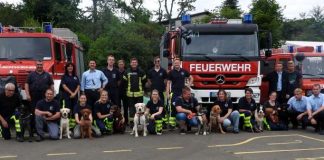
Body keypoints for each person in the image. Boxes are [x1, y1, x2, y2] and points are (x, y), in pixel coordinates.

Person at [25, 60, 54, 131]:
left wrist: (52, 94)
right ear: (36, 65)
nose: (39, 66)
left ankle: (45, 128)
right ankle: (34, 128)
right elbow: (26, 84)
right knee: (33, 112)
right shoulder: (31, 75)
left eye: (40, 64)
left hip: (44, 97)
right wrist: (28, 94)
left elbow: (51, 85)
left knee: (44, 112)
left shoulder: (47, 75)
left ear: (42, 65)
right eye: (38, 64)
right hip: (33, 97)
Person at [166, 58, 193, 128]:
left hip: (182, 94)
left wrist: (188, 86)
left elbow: (191, 78)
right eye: (175, 63)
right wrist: (167, 93)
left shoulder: (183, 71)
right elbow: (168, 83)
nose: (176, 64)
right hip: (174, 93)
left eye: (178, 63)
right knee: (172, 107)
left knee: (183, 107)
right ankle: (172, 124)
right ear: (173, 64)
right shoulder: (171, 72)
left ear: (180, 63)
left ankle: (182, 123)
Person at [123, 58, 146, 126]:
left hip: (139, 94)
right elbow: (124, 82)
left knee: (140, 108)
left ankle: (140, 122)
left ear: (137, 63)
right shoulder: (127, 71)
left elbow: (144, 81)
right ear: (130, 63)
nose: (134, 63)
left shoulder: (141, 72)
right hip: (130, 94)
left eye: (135, 62)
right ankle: (132, 122)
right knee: (131, 109)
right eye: (132, 62)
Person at [118, 59, 129, 125]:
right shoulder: (116, 72)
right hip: (118, 92)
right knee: (118, 107)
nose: (121, 65)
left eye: (122, 64)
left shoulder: (127, 72)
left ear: (124, 65)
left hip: (125, 91)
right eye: (120, 64)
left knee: (125, 107)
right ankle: (119, 120)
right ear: (118, 65)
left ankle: (126, 121)